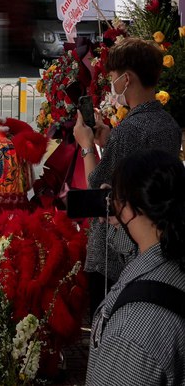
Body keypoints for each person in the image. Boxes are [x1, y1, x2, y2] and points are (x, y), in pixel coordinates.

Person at [73, 37, 182, 317]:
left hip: (115, 252)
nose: (111, 84)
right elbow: (139, 170)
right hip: (153, 241)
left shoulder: (129, 130)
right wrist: (108, 140)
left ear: (127, 78)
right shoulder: (168, 124)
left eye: (112, 77)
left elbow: (97, 192)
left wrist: (86, 146)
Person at [86, 149, 185, 385]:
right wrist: (117, 221)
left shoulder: (132, 328)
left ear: (129, 208)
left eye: (116, 198)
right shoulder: (174, 256)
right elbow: (142, 253)